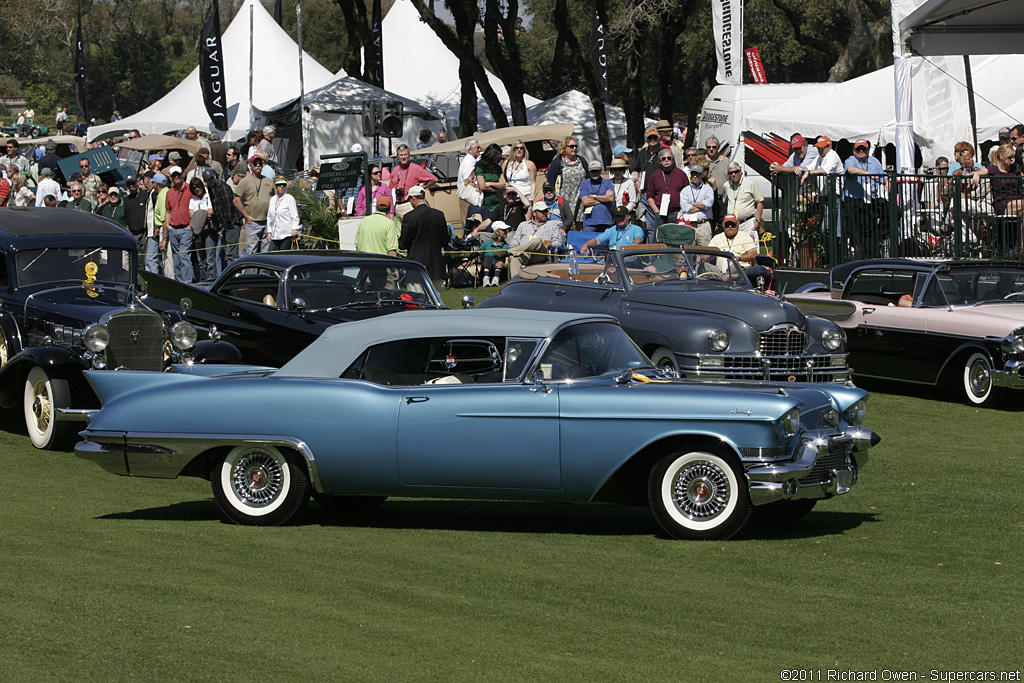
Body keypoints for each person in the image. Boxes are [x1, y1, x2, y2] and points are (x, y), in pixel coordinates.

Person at [842, 139, 888, 258]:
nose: (861, 151)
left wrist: (886, 182)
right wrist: (867, 173)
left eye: (863, 149)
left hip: (870, 200)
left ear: (868, 150)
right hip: (853, 201)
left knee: (894, 211)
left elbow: (883, 177)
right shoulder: (851, 159)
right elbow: (850, 169)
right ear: (854, 150)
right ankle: (862, 256)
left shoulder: (874, 161)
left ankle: (878, 241)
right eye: (858, 149)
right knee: (857, 232)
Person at [398, 185, 448, 289]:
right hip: (436, 265)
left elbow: (403, 244)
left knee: (417, 300)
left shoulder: (409, 217)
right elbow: (445, 241)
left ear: (413, 198)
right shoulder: (439, 215)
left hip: (416, 266)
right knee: (436, 300)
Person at [708, 214, 772, 287]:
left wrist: (737, 258)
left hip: (738, 269)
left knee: (733, 266)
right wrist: (702, 257)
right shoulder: (717, 237)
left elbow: (754, 254)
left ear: (737, 225)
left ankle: (724, 284)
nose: (730, 227)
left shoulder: (745, 237)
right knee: (702, 266)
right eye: (727, 225)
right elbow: (709, 252)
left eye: (733, 224)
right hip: (718, 271)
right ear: (723, 226)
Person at [507, 201, 565, 278]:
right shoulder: (523, 225)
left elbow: (558, 242)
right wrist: (514, 245)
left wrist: (552, 245)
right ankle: (516, 283)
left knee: (537, 241)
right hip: (525, 254)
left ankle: (512, 251)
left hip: (541, 254)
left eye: (546, 211)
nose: (545, 213)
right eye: (542, 211)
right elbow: (515, 240)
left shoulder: (552, 225)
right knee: (514, 258)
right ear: (534, 213)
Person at [646, 147, 689, 241]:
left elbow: (687, 194)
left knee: (676, 239)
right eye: (663, 158)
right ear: (659, 161)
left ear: (673, 160)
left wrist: (681, 211)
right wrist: (656, 211)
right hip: (660, 214)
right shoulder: (654, 175)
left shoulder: (681, 174)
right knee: (659, 240)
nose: (666, 160)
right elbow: (649, 196)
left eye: (669, 158)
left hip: (677, 213)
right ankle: (657, 256)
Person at [233, 155, 273, 255]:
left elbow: (276, 199)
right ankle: (252, 271)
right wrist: (246, 216)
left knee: (266, 252)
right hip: (253, 222)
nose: (258, 165)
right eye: (255, 164)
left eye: (260, 163)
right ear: (250, 166)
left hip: (267, 221)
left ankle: (264, 271)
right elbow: (236, 200)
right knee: (252, 252)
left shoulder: (269, 181)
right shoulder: (245, 181)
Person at [546, 137, 587, 228]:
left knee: (580, 224)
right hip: (565, 198)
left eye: (576, 146)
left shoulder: (581, 160)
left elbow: (588, 177)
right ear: (565, 148)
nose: (574, 148)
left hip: (580, 198)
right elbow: (550, 181)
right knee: (567, 223)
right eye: (571, 146)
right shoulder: (558, 162)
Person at [391, 143, 437, 218]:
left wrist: (420, 188)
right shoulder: (395, 169)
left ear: (409, 155)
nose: (403, 157)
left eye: (405, 154)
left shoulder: (416, 168)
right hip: (396, 205)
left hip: (409, 204)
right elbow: (391, 187)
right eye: (401, 155)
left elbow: (434, 179)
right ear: (397, 157)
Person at [165, 169, 195, 282]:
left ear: (183, 175)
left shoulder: (189, 189)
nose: (176, 177)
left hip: (186, 228)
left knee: (184, 257)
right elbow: (168, 211)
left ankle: (188, 283)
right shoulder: (169, 192)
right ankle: (179, 282)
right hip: (173, 229)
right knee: (176, 260)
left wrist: (190, 226)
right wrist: (168, 225)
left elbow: (195, 208)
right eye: (174, 175)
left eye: (178, 174)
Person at [722, 162, 765, 240]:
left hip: (747, 223)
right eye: (731, 173)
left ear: (740, 172)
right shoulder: (726, 186)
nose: (734, 174)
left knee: (750, 249)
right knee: (734, 249)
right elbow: (725, 203)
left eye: (736, 172)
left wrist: (757, 220)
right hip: (732, 224)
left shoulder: (750, 183)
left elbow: (760, 202)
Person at [633, 127, 664, 228]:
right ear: (646, 139)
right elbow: (635, 169)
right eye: (650, 138)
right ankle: (650, 243)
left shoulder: (664, 152)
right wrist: (636, 181)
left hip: (661, 194)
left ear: (658, 138)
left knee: (661, 222)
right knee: (649, 225)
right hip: (645, 193)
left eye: (654, 138)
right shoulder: (643, 152)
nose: (652, 140)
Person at [580, 206, 644, 254]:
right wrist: (586, 244)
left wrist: (634, 244)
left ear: (628, 216)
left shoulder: (636, 229)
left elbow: (639, 239)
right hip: (613, 258)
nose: (619, 219)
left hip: (628, 257)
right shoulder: (611, 230)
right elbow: (597, 240)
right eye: (617, 216)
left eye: (622, 216)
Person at [678, 164, 715, 246]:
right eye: (693, 174)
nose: (695, 176)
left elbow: (709, 204)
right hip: (689, 225)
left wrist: (692, 204)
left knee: (705, 254)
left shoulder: (708, 189)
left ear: (702, 175)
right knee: (689, 253)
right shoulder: (685, 191)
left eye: (697, 174)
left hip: (704, 225)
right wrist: (702, 206)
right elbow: (685, 208)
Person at [580, 161, 615, 233]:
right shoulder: (584, 183)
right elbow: (585, 202)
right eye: (592, 171)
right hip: (589, 223)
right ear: (589, 171)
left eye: (596, 171)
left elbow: (611, 198)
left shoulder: (608, 182)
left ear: (601, 171)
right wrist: (604, 198)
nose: (594, 173)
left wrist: (593, 196)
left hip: (606, 221)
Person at [145, 173, 170, 275]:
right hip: (159, 229)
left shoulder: (163, 195)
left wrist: (164, 238)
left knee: (165, 261)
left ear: (156, 184)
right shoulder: (164, 193)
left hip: (164, 231)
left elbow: (165, 219)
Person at [266, 177, 299, 251]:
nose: (282, 187)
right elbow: (269, 217)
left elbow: (294, 216)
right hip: (275, 235)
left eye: (284, 185)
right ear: (275, 186)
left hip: (286, 234)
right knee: (271, 254)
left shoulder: (289, 198)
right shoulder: (272, 199)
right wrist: (269, 232)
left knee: (283, 255)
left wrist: (295, 228)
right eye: (279, 184)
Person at [474, 143, 505, 220]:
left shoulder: (497, 168)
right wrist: (496, 187)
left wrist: (489, 183)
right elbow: (482, 186)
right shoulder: (480, 168)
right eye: (498, 156)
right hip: (485, 202)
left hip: (497, 201)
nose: (499, 158)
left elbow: (503, 184)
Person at [457, 138, 483, 218]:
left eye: (479, 147)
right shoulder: (468, 162)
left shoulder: (471, 161)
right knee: (469, 222)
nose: (479, 149)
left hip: (470, 197)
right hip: (468, 197)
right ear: (470, 150)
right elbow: (468, 182)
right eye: (477, 148)